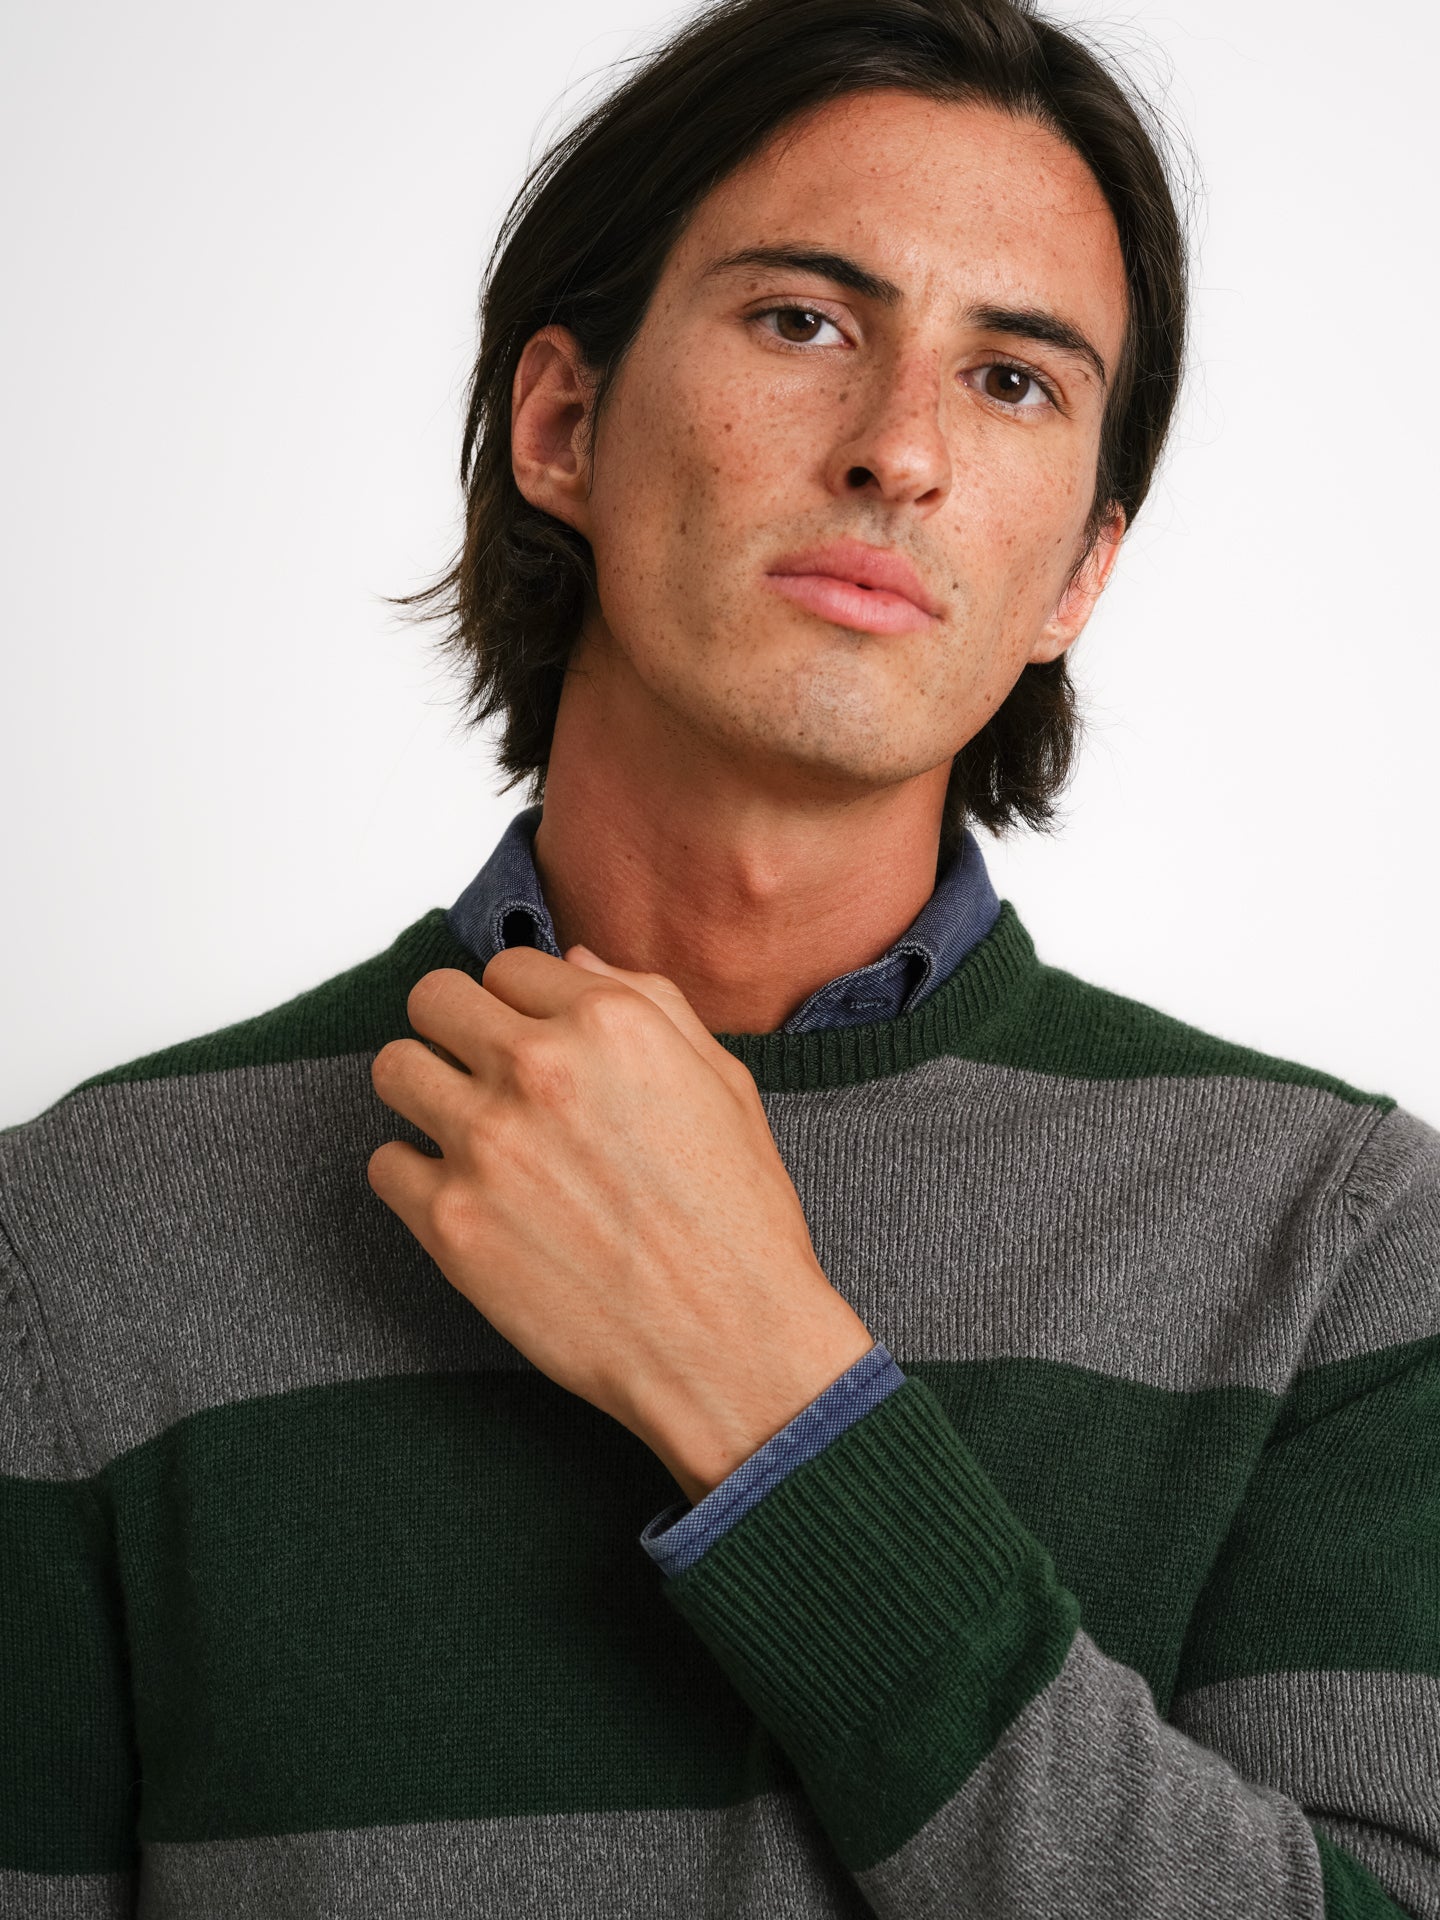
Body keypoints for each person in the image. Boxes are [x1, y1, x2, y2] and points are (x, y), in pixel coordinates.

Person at [3, 0, 1436, 1912]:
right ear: (563, 425)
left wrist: (770, 1397)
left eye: (1014, 380)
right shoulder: (81, 1237)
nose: (901, 449)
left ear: (1082, 570)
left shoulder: (1345, 1250)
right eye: (804, 322)